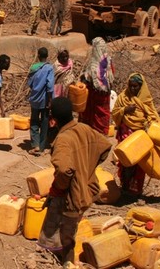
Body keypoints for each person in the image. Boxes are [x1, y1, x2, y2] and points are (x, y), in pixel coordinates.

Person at [38, 97, 112, 266]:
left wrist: (60, 187)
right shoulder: (84, 128)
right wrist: (87, 168)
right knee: (73, 225)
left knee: (66, 233)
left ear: (53, 119)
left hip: (74, 195)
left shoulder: (63, 139)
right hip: (89, 188)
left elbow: (64, 170)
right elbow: (105, 147)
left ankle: (67, 261)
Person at [111, 73, 159, 195]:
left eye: (136, 86)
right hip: (126, 134)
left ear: (141, 86)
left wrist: (148, 125)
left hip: (140, 135)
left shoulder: (146, 100)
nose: (133, 89)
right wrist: (124, 110)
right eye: (131, 86)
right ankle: (125, 187)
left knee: (139, 164)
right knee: (126, 162)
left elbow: (153, 116)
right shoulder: (123, 97)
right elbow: (115, 113)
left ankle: (136, 190)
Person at [79, 37, 114, 135]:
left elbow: (86, 79)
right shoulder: (108, 61)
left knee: (93, 118)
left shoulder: (92, 64)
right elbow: (111, 78)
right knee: (102, 116)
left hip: (94, 97)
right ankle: (102, 135)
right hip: (104, 97)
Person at [27, 47, 54, 156]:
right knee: (44, 122)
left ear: (38, 55)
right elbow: (50, 86)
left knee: (34, 121)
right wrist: (50, 101)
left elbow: (29, 84)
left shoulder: (33, 68)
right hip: (44, 100)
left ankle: (35, 145)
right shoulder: (49, 68)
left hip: (34, 99)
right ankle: (42, 147)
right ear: (47, 56)